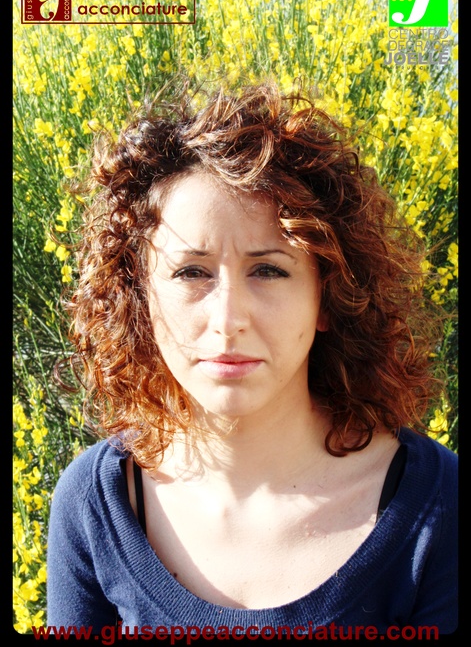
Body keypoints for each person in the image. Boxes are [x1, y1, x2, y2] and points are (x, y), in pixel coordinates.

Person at [46, 80, 458, 638]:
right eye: (191, 272)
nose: (228, 318)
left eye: (268, 270)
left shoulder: (439, 508)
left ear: (328, 297)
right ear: (140, 298)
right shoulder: (97, 504)